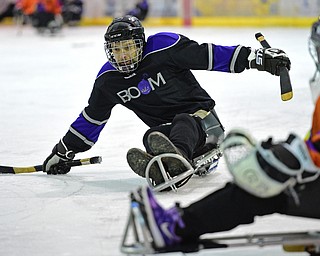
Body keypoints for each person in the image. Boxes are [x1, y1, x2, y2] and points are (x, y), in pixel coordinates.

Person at [121, 20, 320, 251]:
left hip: (199, 126)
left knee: (257, 190)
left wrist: (287, 160)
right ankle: (177, 209)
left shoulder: (163, 49)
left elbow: (206, 55)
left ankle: (176, 225)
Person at [42, 15, 291, 190]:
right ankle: (169, 159)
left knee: (183, 120)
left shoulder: (164, 48)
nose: (122, 55)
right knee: (152, 135)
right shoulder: (108, 80)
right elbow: (91, 119)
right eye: (116, 50)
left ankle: (177, 161)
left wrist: (257, 58)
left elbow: (209, 55)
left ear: (141, 43)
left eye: (128, 47)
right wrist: (63, 150)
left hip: (204, 125)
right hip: (168, 133)